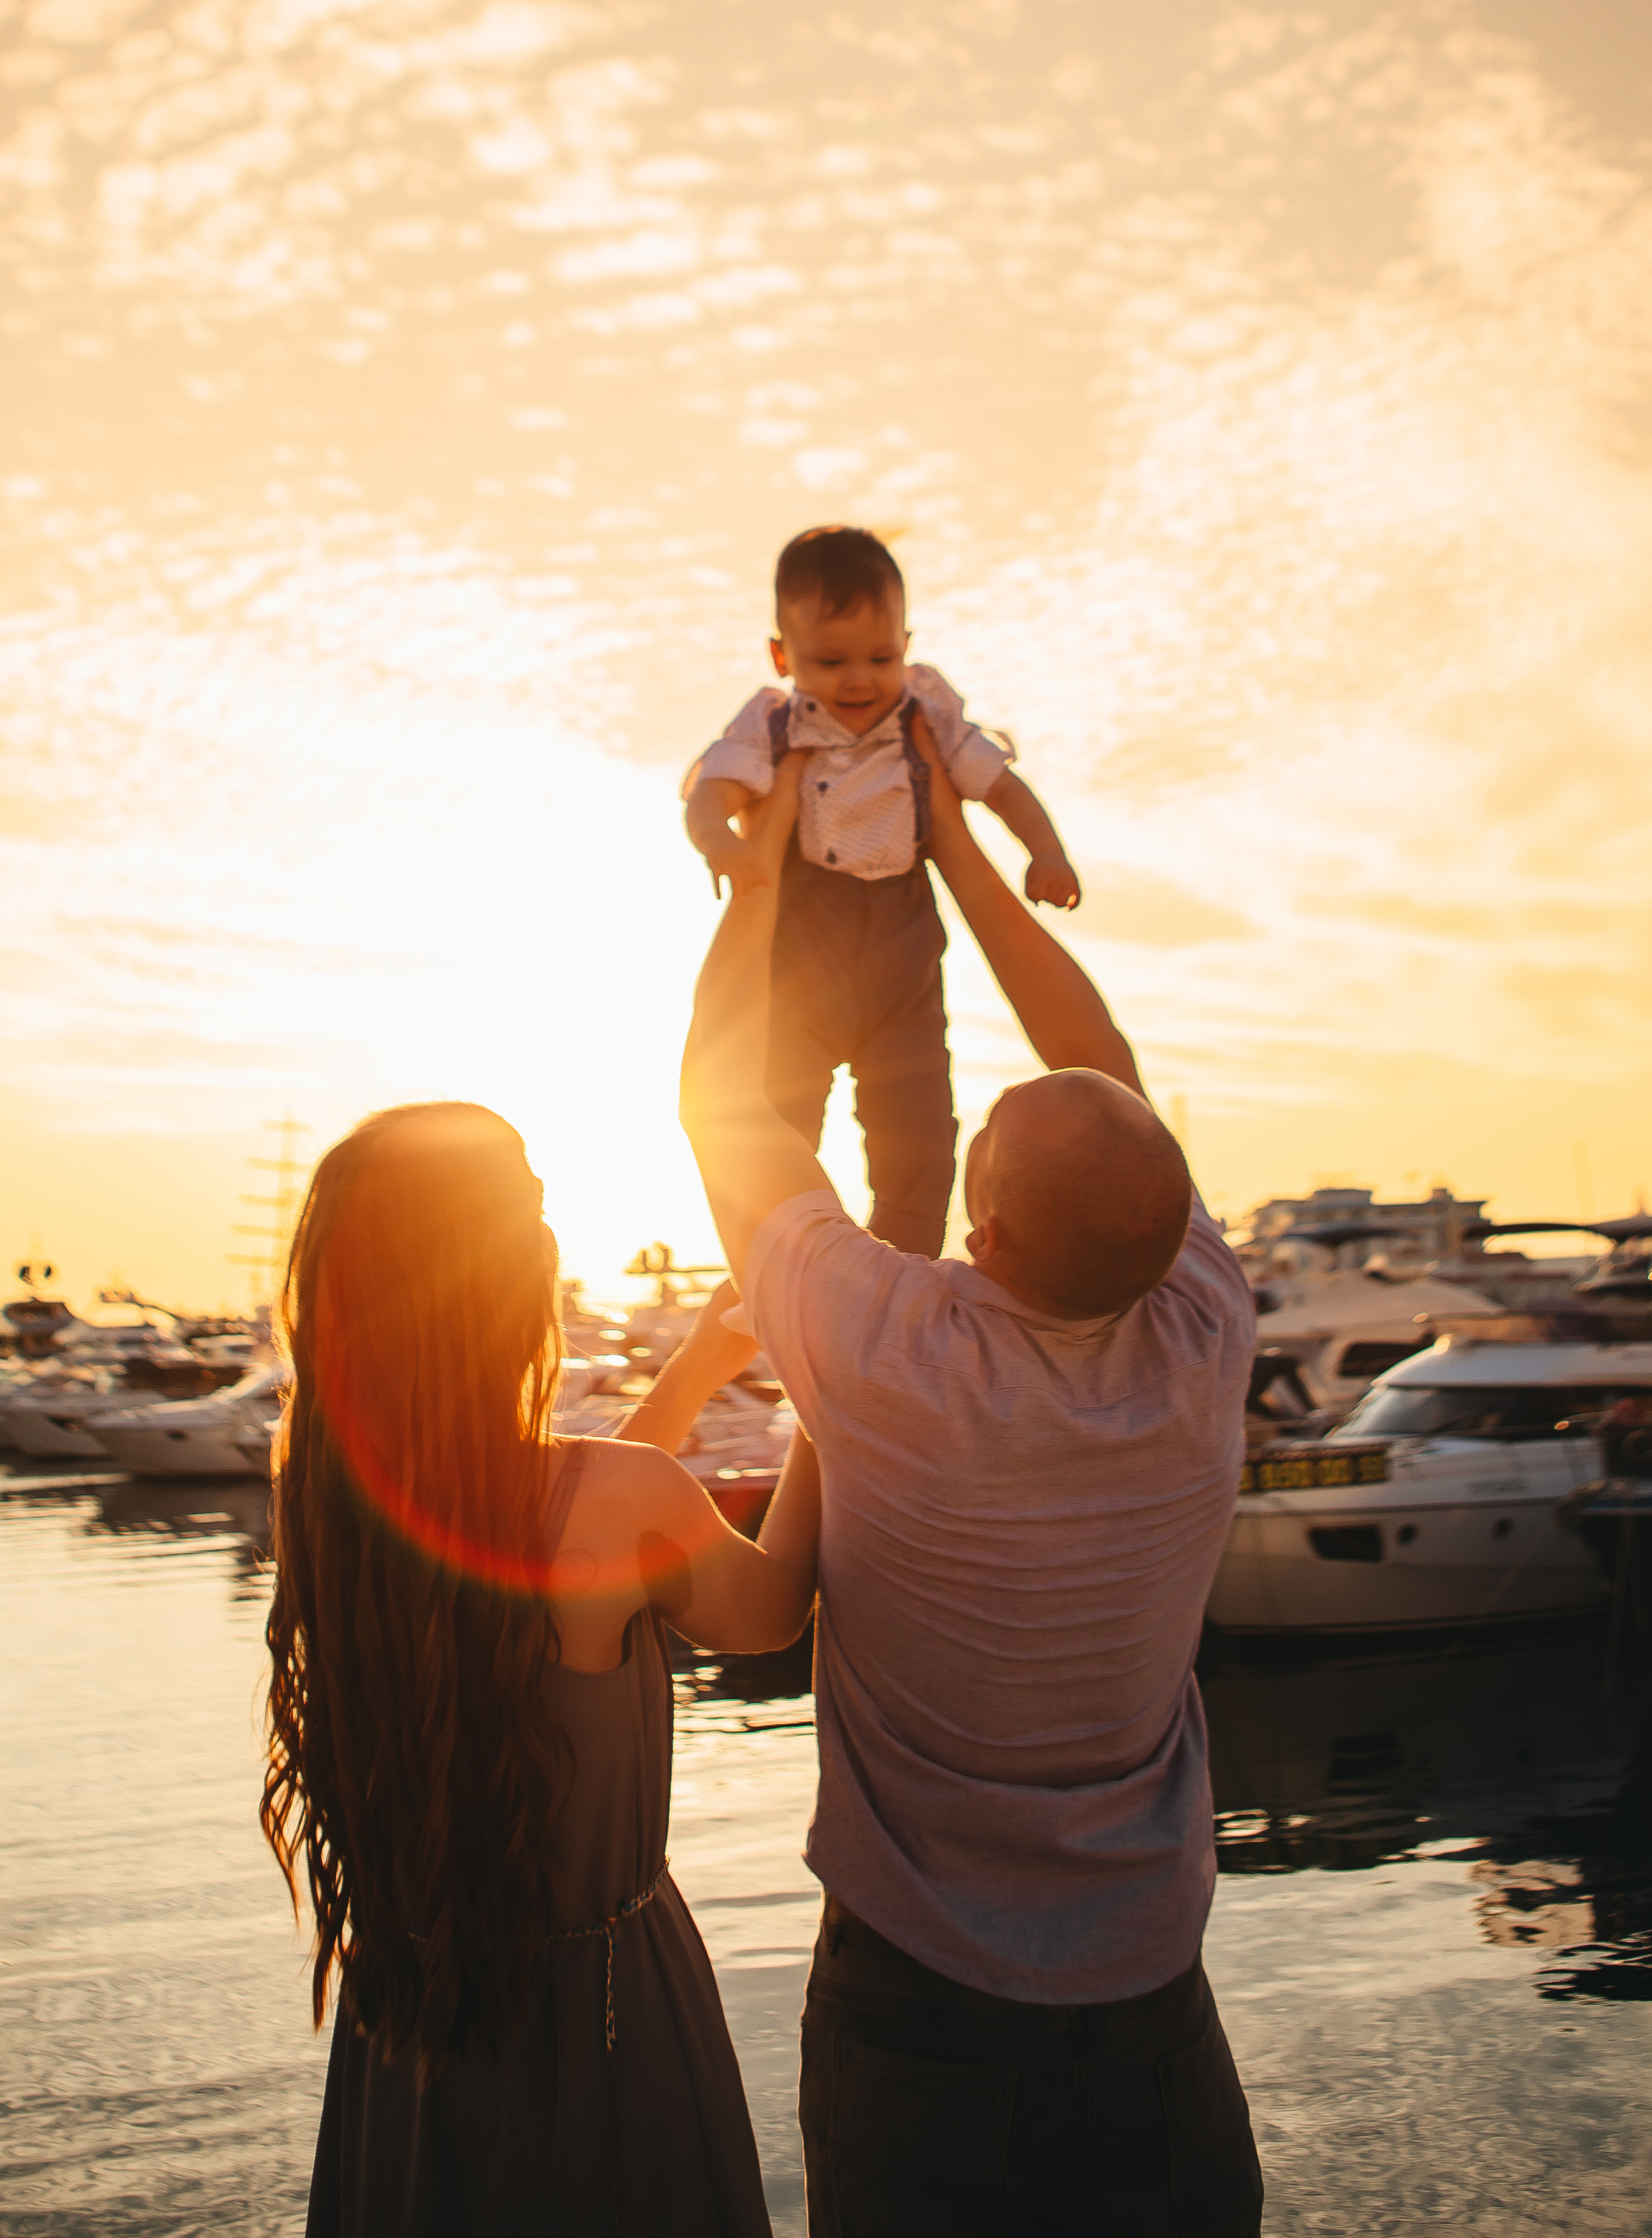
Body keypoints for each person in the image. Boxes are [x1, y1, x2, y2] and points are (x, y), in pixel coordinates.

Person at [679, 740, 1263, 2236]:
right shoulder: (1204, 1329)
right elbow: (1104, 1076)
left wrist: (756, 888)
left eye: (975, 1164)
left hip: (913, 2010)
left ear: (982, 1239)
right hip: (1150, 2006)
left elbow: (722, 1107)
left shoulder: (889, 1350)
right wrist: (960, 855)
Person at [260, 1100, 821, 2238]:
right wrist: (828, 1384)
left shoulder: (334, 1510)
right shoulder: (612, 1507)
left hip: (414, 2029)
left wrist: (700, 1371)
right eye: (534, 1206)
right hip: (605, 2027)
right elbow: (769, 1612)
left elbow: (556, 1534)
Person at [682, 523, 1082, 1256]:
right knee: (779, 1113)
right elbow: (711, 790)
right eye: (828, 661)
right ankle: (783, 1258)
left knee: (920, 1128)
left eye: (881, 656)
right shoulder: (772, 723)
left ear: (908, 642)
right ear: (782, 657)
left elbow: (998, 785)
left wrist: (1045, 850)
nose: (858, 680)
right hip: (806, 954)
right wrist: (721, 842)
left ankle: (907, 1262)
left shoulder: (926, 712)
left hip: (901, 958)